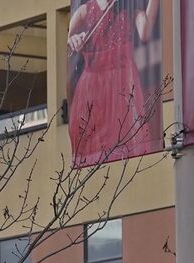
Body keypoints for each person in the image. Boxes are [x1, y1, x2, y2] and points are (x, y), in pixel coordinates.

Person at [68, 0, 160, 165]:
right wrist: (74, 39)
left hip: (121, 85)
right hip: (92, 88)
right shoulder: (83, 11)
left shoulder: (130, 9)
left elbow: (145, 32)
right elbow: (70, 44)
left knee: (123, 141)